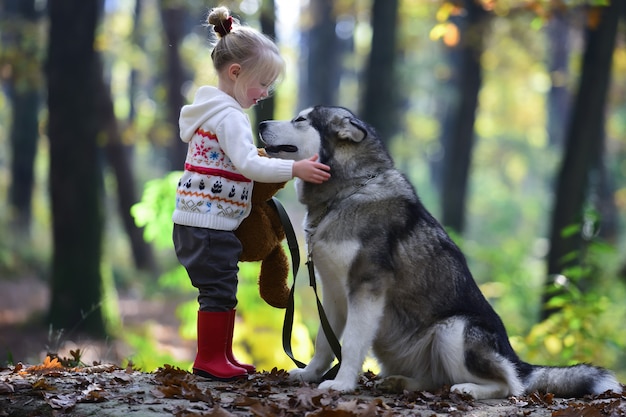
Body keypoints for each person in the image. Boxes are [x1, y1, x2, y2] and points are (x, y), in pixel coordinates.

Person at [172, 6, 331, 381]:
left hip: (201, 220)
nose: (265, 93)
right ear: (236, 73)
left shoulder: (211, 110)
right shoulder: (228, 116)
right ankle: (210, 358)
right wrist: (294, 168)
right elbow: (248, 165)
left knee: (221, 289)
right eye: (263, 84)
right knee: (218, 292)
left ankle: (219, 355)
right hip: (206, 224)